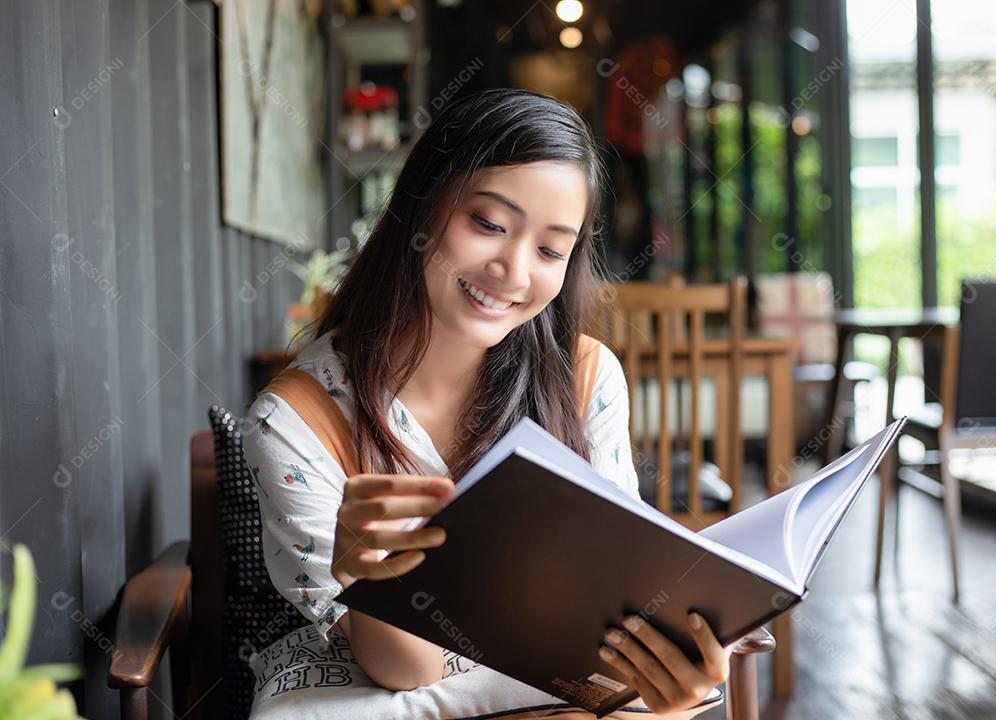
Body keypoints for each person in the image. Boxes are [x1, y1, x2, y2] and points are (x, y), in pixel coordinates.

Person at [244, 88, 736, 719]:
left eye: (551, 250)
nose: (514, 269)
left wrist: (674, 678)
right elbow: (406, 671)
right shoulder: (297, 425)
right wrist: (373, 576)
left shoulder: (585, 378)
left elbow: (615, 618)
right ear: (420, 207)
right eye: (488, 224)